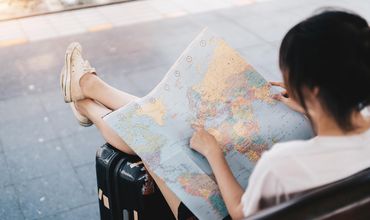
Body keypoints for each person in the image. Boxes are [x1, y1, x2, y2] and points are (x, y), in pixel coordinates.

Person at [59, 9, 370, 220]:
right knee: (169, 126)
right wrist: (310, 108)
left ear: (314, 90)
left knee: (162, 142)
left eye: (290, 76)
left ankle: (87, 99)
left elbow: (239, 212)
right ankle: (90, 90)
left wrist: (214, 152)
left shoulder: (283, 166)